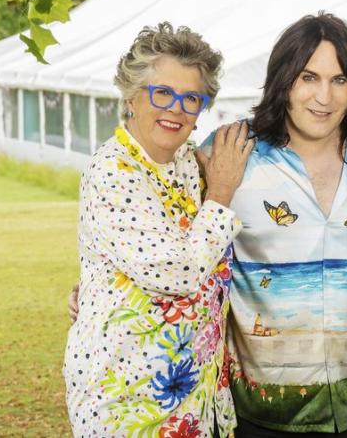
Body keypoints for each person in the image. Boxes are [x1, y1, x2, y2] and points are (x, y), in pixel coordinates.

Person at [200, 13, 347, 437]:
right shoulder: (230, 150)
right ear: (283, 80)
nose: (324, 96)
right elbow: (178, 239)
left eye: (339, 80)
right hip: (264, 410)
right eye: (309, 77)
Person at [63, 22, 253, 438]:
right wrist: (221, 192)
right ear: (132, 95)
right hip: (128, 399)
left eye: (191, 99)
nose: (176, 109)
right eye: (162, 93)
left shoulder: (188, 163)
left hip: (190, 393)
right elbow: (179, 275)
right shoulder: (114, 171)